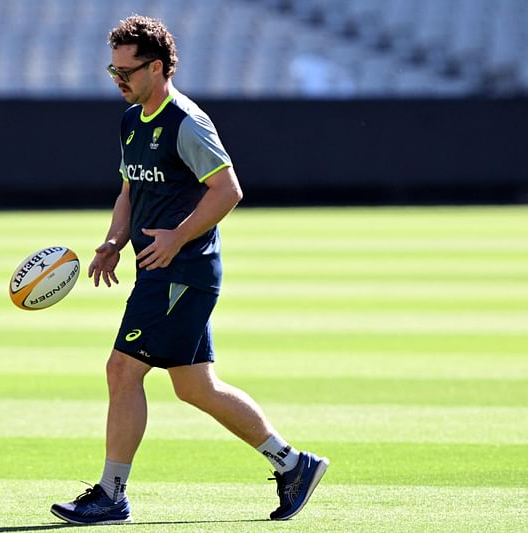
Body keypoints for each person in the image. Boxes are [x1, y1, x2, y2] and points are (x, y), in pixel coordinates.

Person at [50, 15, 328, 525]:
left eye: (126, 72)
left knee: (122, 369)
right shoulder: (131, 121)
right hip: (159, 269)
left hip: (182, 272)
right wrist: (114, 241)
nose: (118, 81)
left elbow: (229, 190)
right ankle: (293, 464)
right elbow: (130, 190)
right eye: (112, 72)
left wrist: (178, 236)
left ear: (156, 68)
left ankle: (112, 494)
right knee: (195, 386)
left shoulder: (186, 122)